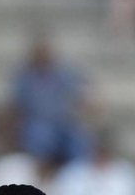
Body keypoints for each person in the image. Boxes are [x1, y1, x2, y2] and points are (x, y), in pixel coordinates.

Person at [10, 32, 92, 165]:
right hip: (37, 123)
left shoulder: (65, 73)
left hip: (63, 122)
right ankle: (44, 171)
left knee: (78, 140)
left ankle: (73, 173)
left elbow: (83, 92)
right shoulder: (24, 77)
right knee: (40, 137)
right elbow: (16, 107)